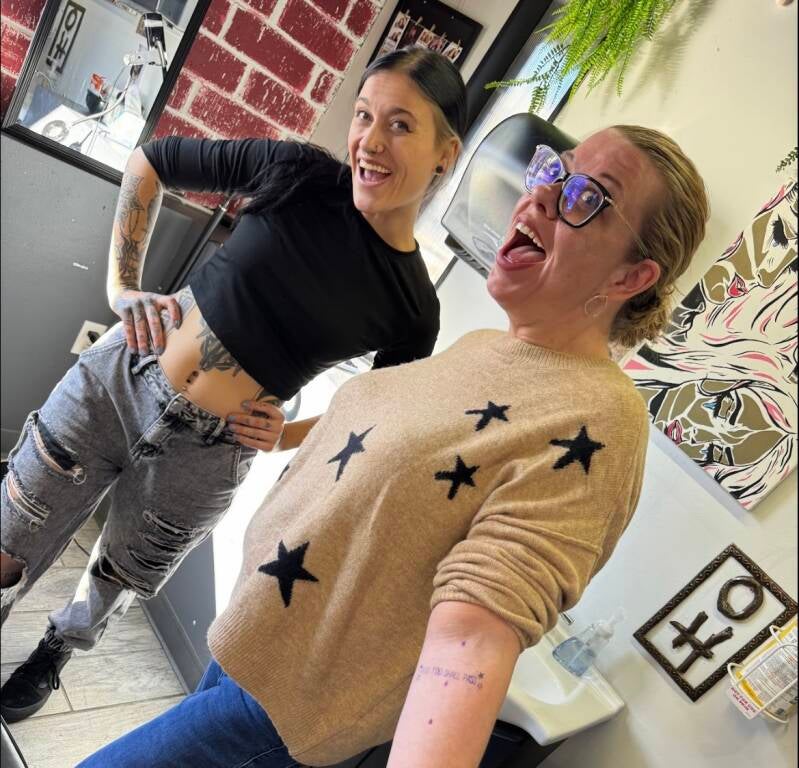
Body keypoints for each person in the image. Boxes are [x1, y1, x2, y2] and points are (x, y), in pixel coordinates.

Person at [77, 124, 709, 768]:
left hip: (290, 705)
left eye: (588, 197)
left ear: (632, 275)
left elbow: (476, 631)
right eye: (555, 170)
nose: (543, 195)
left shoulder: (602, 419)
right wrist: (283, 434)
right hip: (253, 640)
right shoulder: (486, 348)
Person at [0, 46, 466, 723]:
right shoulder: (297, 173)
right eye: (364, 115)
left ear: (445, 153)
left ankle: (55, 651)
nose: (369, 141)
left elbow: (380, 414)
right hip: (119, 382)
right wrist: (123, 286)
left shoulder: (413, 307)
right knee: (11, 534)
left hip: (209, 455)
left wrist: (288, 436)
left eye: (400, 125)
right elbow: (153, 161)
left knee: (119, 576)